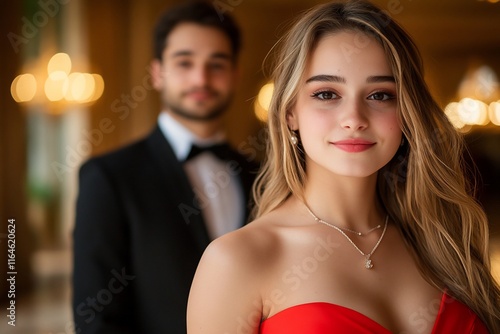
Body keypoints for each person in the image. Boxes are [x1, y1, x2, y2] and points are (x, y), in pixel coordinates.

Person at [186, 0, 500, 333]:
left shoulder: (446, 242)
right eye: (326, 94)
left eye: (380, 95)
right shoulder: (237, 260)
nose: (354, 119)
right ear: (290, 112)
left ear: (408, 112)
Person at [72, 1, 258, 333]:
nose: (201, 78)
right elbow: (95, 318)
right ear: (157, 73)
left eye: (217, 64)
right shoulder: (108, 177)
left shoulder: (261, 174)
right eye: (184, 63)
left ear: (235, 75)